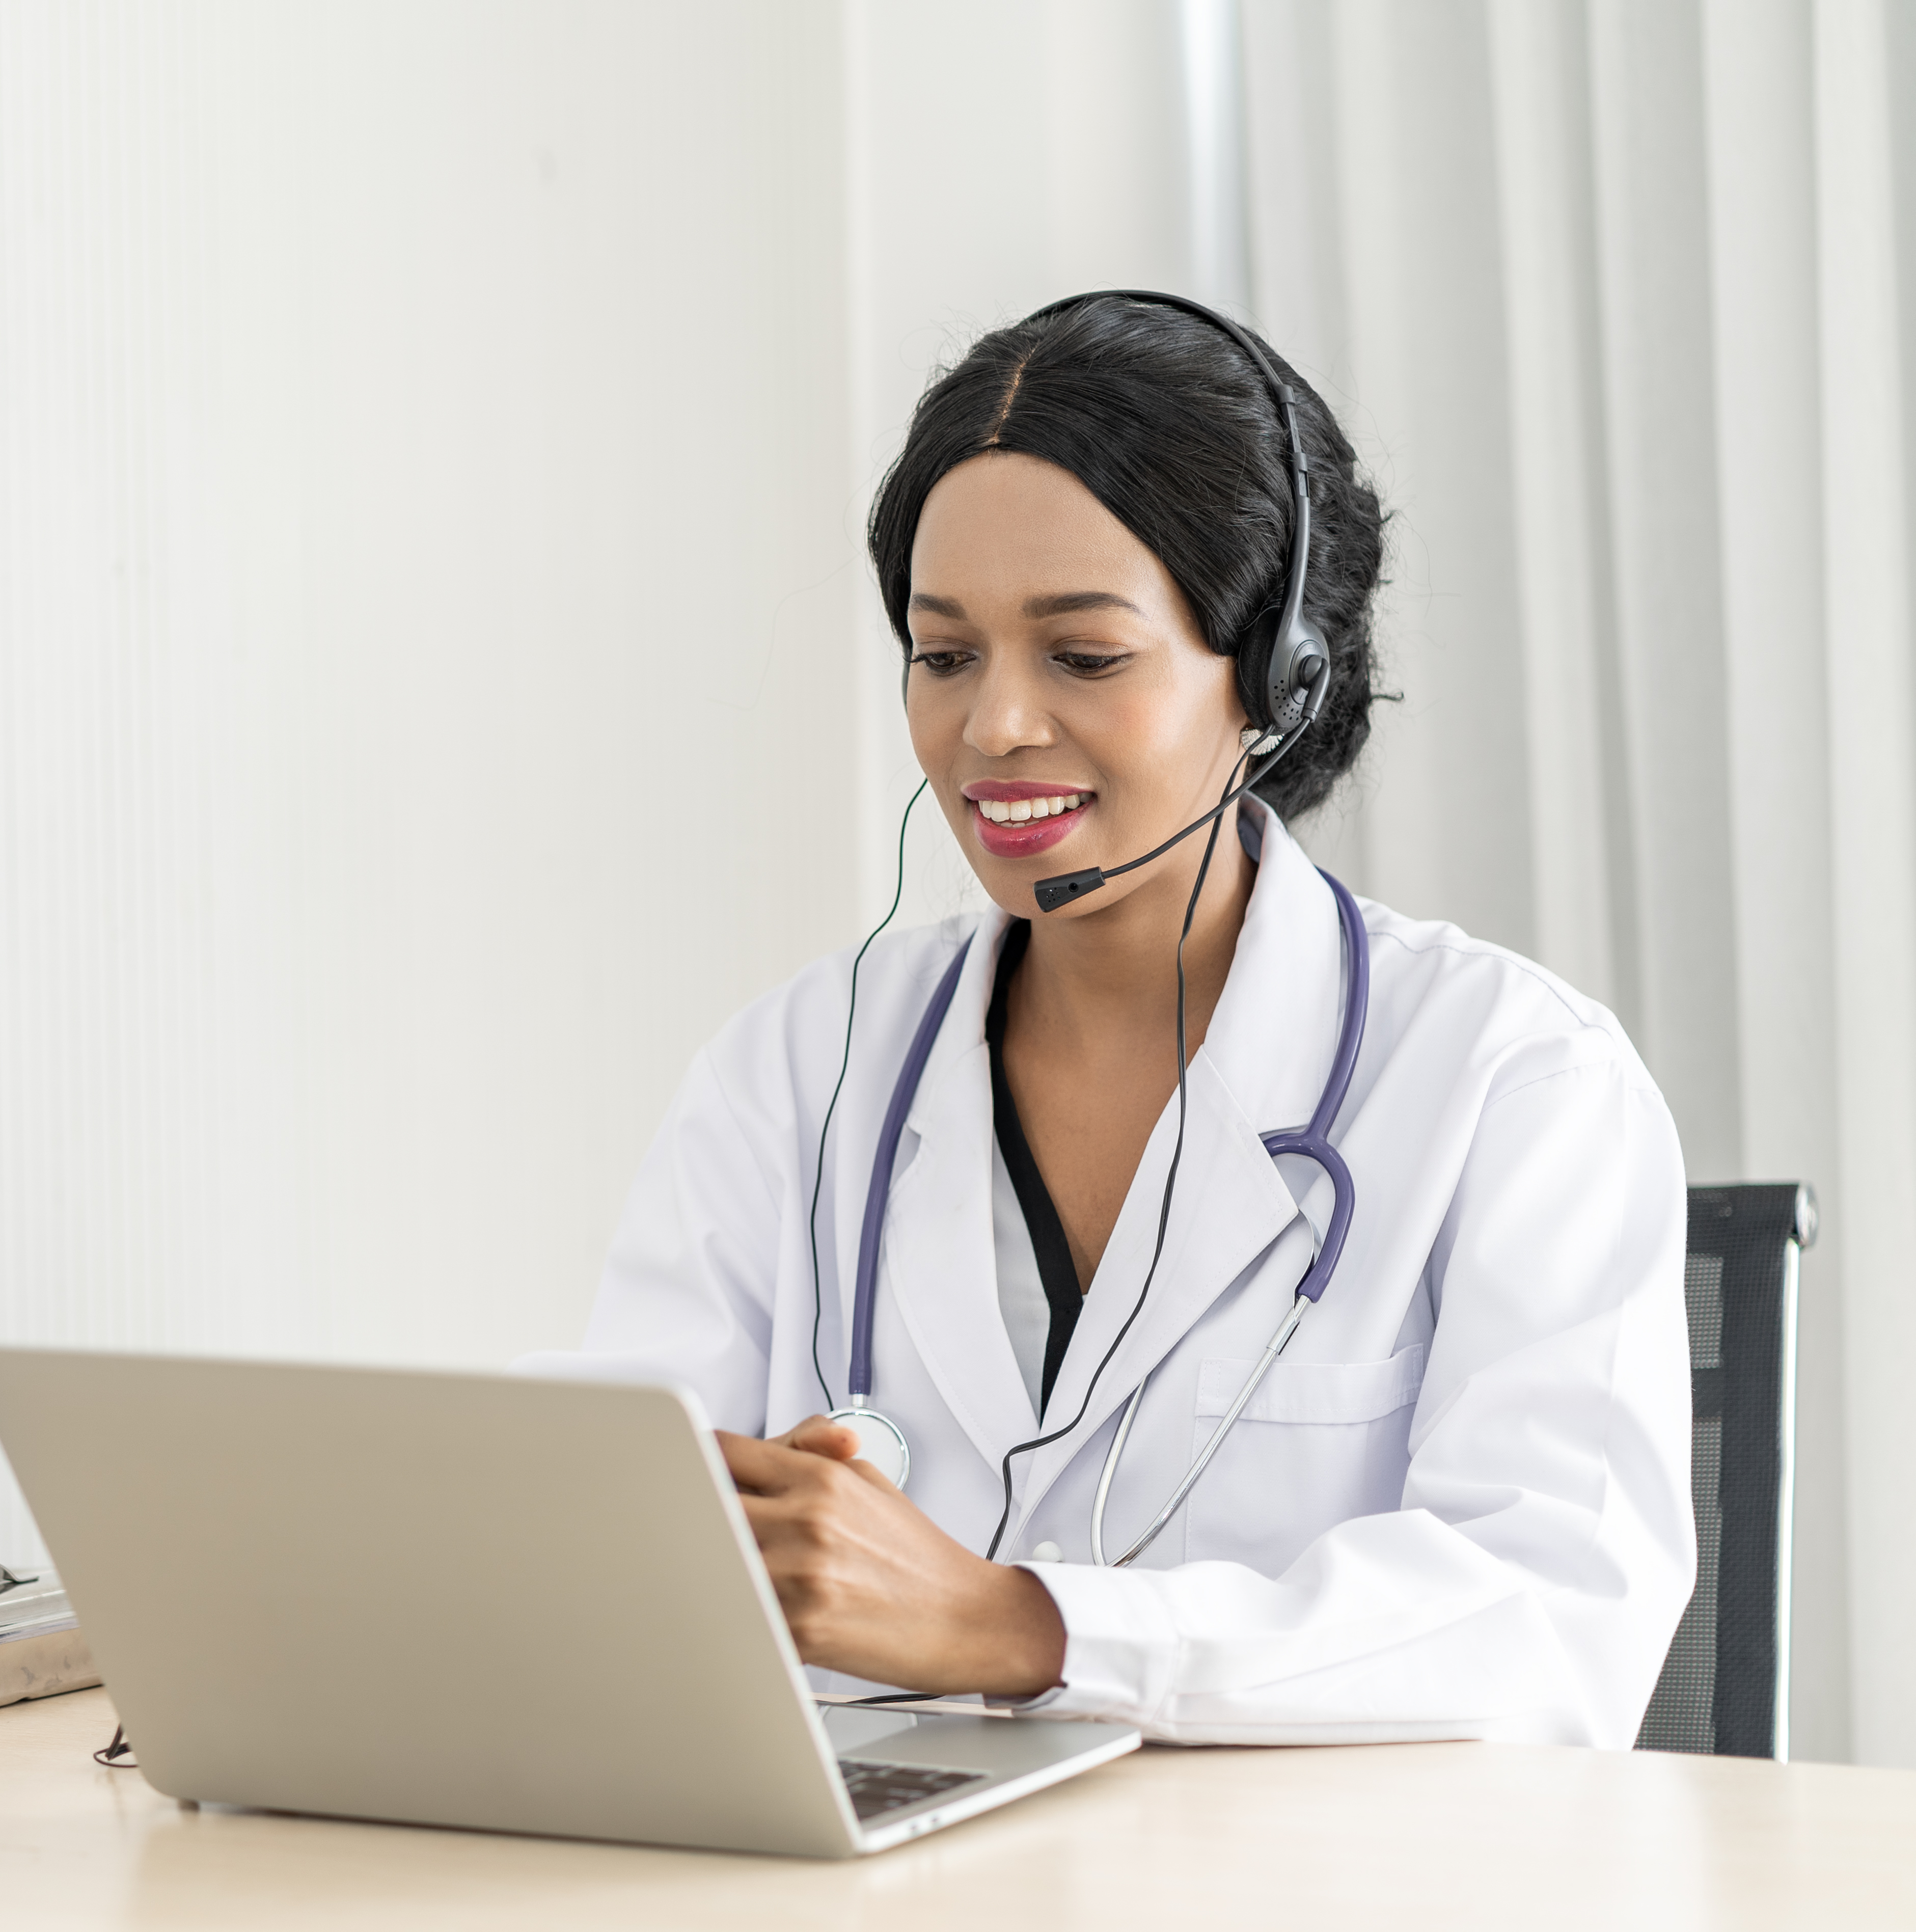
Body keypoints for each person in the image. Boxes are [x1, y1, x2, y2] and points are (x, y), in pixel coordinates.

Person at [527, 293, 1694, 1746]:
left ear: (1275, 678)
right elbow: (599, 1543)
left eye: (1080, 656)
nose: (991, 727)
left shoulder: (1511, 1083)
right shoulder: (794, 1071)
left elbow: (1546, 1617)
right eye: (943, 655)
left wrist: (1019, 1623)